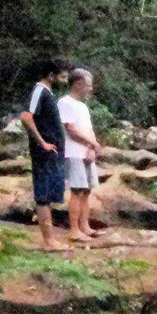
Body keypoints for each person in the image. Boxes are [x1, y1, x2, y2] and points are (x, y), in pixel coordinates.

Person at [19, 58, 72, 250]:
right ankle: (48, 241)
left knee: (50, 194)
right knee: (43, 196)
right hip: (44, 153)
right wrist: (43, 143)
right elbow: (26, 117)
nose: (65, 81)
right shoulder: (39, 90)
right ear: (51, 75)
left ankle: (51, 239)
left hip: (53, 154)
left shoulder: (47, 93)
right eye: (63, 77)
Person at [58, 68, 104, 241]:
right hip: (73, 152)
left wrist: (92, 149)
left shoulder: (83, 106)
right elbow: (71, 130)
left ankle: (85, 226)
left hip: (86, 152)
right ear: (77, 83)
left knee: (86, 191)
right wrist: (91, 144)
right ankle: (74, 230)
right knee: (77, 191)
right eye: (88, 85)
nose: (90, 89)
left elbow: (89, 130)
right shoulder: (65, 102)